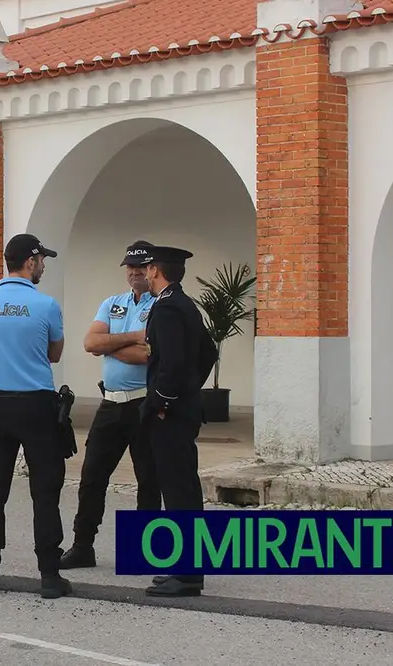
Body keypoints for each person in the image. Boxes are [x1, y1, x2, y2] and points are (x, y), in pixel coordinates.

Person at [0, 233, 71, 600]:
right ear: (30, 262)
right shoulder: (46, 305)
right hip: (36, 405)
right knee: (45, 491)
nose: (43, 265)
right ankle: (49, 574)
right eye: (42, 259)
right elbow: (55, 354)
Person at [60, 241, 162, 569]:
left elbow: (152, 355)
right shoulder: (112, 303)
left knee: (148, 480)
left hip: (143, 404)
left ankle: (144, 552)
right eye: (129, 266)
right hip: (110, 403)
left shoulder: (161, 304)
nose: (134, 272)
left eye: (141, 266)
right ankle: (82, 545)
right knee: (92, 476)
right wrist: (133, 337)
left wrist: (110, 345)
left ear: (153, 269)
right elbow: (91, 342)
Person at [139, 244, 219, 598]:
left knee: (178, 490)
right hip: (183, 408)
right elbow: (209, 352)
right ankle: (184, 568)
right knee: (182, 487)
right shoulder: (182, 302)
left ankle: (186, 574)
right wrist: (190, 389)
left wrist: (163, 401)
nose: (144, 271)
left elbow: (170, 362)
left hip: (170, 414)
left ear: (156, 270)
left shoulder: (169, 307)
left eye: (147, 267)